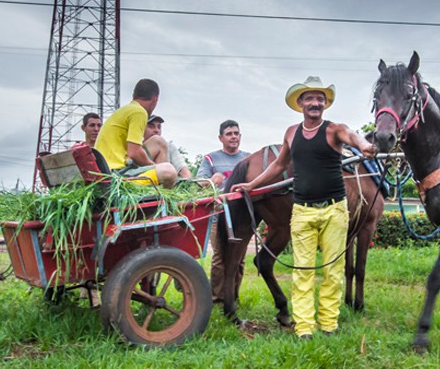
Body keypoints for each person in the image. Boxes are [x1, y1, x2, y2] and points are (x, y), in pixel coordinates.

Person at [232, 76, 377, 339]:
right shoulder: (291, 132)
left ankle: (329, 323)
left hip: (334, 210)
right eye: (309, 98)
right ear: (300, 103)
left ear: (325, 104)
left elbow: (354, 137)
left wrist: (365, 145)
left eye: (320, 98)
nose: (315, 103)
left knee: (332, 271)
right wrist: (251, 185)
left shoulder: (335, 129)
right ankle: (304, 327)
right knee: (303, 271)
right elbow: (277, 166)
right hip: (302, 211)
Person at [197, 120, 250, 304]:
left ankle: (233, 296)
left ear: (240, 136)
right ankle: (217, 298)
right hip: (218, 214)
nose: (233, 136)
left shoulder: (248, 159)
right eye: (229, 134)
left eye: (236, 133)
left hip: (241, 216)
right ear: (221, 138)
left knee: (240, 257)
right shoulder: (211, 159)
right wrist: (211, 180)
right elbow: (198, 184)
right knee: (220, 256)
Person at [94, 79, 177, 188]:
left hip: (107, 169)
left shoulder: (126, 110)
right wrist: (153, 166)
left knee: (158, 141)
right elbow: (134, 153)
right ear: (155, 99)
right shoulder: (139, 112)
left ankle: (160, 192)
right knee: (169, 171)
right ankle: (165, 200)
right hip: (116, 176)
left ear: (134, 95)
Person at [143, 114, 192, 179]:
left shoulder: (170, 147)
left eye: (159, 127)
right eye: (151, 126)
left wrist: (188, 182)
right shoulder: (135, 147)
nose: (156, 130)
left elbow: (183, 169)